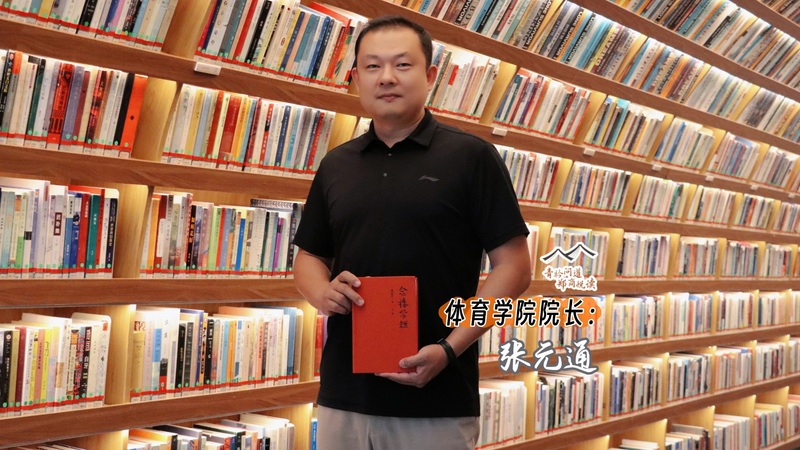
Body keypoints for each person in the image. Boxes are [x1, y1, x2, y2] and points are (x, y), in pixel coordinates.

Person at [293, 14, 532, 450]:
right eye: (372, 66)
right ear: (355, 78)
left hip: (438, 399)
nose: (387, 77)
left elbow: (514, 268)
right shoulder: (336, 164)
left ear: (430, 75)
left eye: (402, 64)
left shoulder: (472, 157)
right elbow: (309, 257)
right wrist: (322, 293)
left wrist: (449, 349)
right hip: (343, 396)